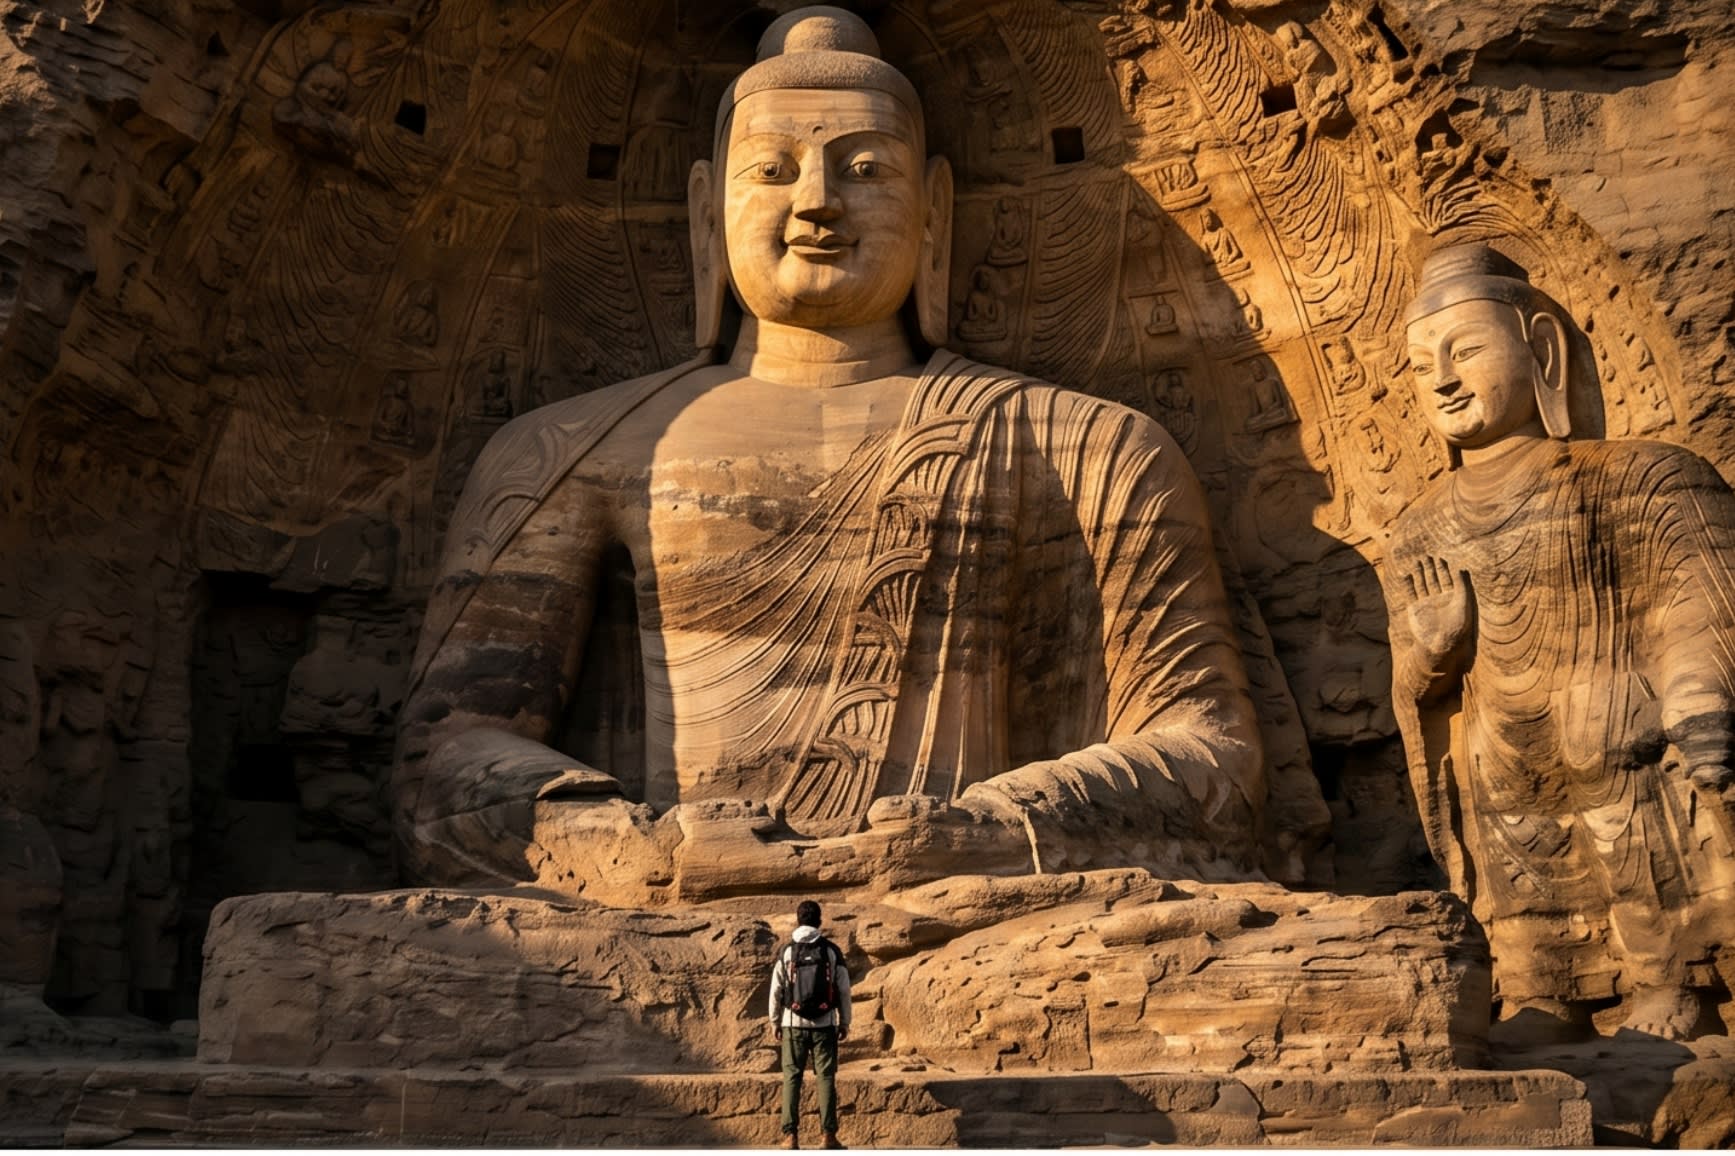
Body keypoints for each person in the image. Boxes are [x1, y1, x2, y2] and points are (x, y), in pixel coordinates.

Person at [392, 6, 1322, 906]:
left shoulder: (1087, 444)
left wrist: (987, 832)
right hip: (669, 902)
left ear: (934, 210)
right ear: (704, 212)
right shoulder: (576, 450)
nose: (817, 202)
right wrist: (642, 845)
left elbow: (1213, 757)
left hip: (977, 908)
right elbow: (446, 758)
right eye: (772, 169)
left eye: (865, 168)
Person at [1386, 241, 1735, 1043]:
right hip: (1501, 743)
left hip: (1616, 726)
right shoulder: (1418, 528)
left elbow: (1699, 596)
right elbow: (1411, 686)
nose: (1440, 377)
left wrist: (1694, 694)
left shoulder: (1642, 475)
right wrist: (1432, 653)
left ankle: (1669, 979)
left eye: (1465, 349)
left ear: (1540, 346)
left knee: (1620, 793)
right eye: (1418, 365)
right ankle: (1547, 988)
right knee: (1515, 840)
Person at [769, 899, 852, 1149]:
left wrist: (775, 1021)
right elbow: (844, 990)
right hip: (825, 1024)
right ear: (819, 921)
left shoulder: (787, 951)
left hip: (792, 1023)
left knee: (791, 1077)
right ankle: (828, 1136)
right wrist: (845, 1022)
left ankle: (790, 1136)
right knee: (825, 1077)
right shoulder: (830, 951)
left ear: (798, 920)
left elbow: (776, 989)